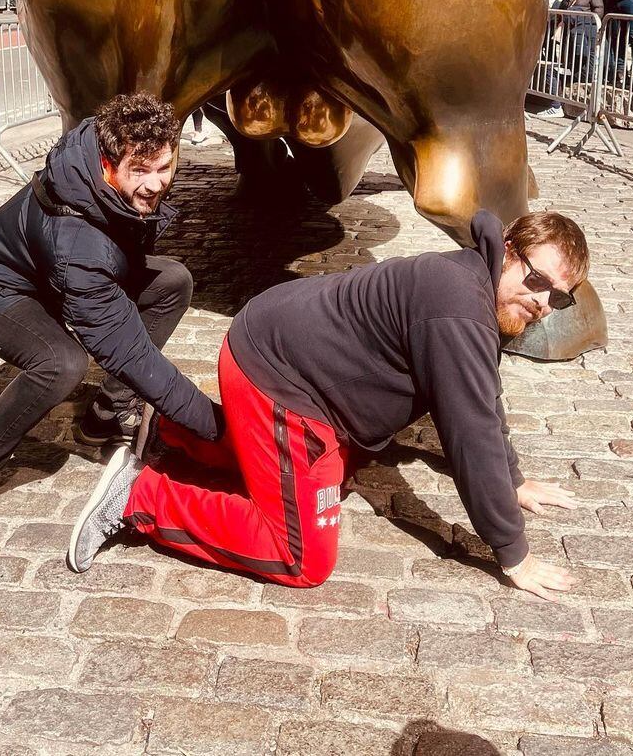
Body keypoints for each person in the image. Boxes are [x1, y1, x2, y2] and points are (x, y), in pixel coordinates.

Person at [68, 209, 588, 603]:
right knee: (299, 554)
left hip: (286, 357)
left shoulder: (474, 288)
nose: (543, 302)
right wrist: (513, 553)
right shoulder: (460, 309)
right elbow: (470, 435)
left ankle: (173, 434)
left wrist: (513, 480)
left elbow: (482, 397)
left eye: (559, 297)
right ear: (510, 250)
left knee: (327, 477)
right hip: (278, 376)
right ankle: (138, 495)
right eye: (537, 280)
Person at [0, 93, 218, 554]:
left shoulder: (101, 147)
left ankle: (103, 417)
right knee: (61, 363)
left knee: (172, 281)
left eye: (164, 167)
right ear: (107, 162)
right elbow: (129, 353)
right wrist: (216, 428)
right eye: (140, 171)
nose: (156, 183)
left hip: (51, 277)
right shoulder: (77, 242)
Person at [562, 0, 604, 86]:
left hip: (587, 27)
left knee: (587, 54)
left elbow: (599, 9)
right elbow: (564, 8)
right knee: (575, 53)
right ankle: (576, 77)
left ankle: (586, 78)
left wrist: (594, 22)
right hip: (574, 28)